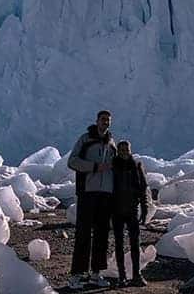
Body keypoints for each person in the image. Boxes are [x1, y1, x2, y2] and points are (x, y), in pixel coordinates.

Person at [66, 110, 117, 290]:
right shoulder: (85, 139)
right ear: (96, 121)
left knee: (102, 234)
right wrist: (94, 167)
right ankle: (76, 275)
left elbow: (115, 168)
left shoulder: (111, 143)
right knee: (83, 234)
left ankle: (96, 273)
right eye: (103, 120)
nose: (106, 123)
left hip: (106, 194)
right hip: (88, 192)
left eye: (108, 120)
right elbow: (72, 161)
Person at [111, 140, 149, 287]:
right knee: (119, 244)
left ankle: (136, 275)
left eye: (126, 150)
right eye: (121, 150)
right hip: (116, 211)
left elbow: (143, 189)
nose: (124, 152)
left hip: (132, 210)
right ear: (118, 151)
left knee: (135, 244)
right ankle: (122, 276)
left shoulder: (136, 166)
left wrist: (144, 210)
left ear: (130, 150)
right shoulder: (113, 166)